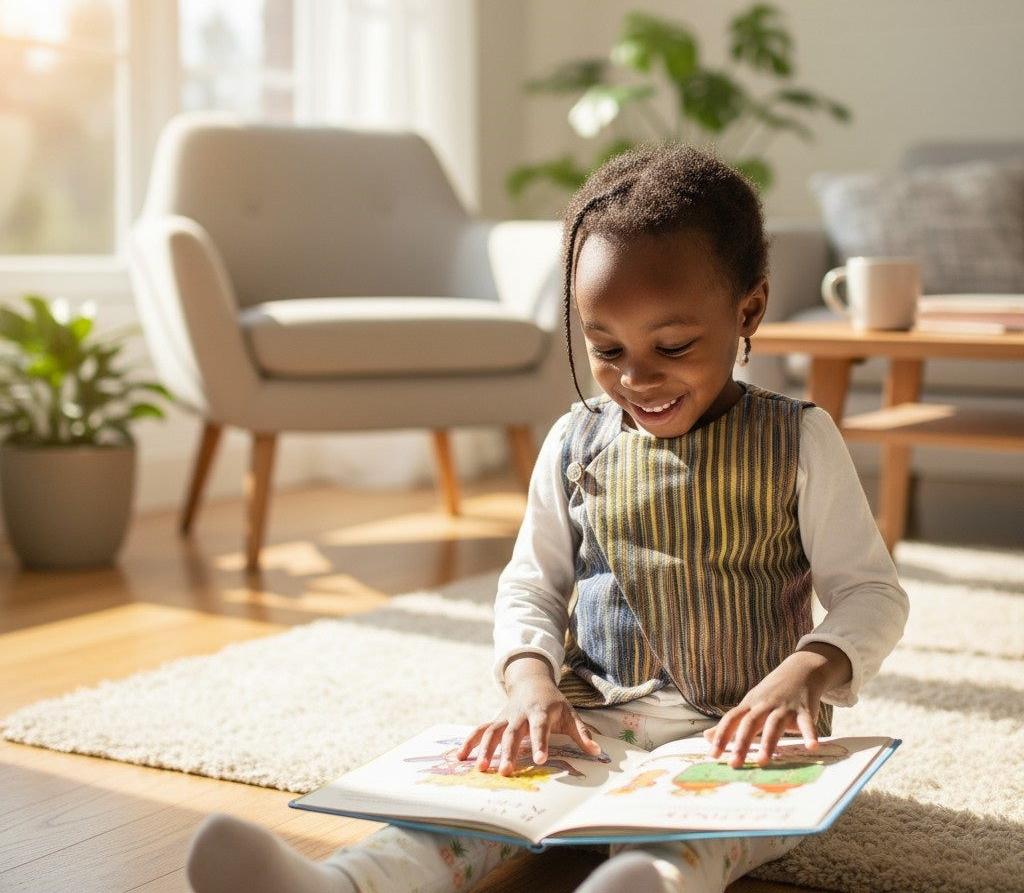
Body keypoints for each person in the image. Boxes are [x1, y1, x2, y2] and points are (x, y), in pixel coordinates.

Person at [186, 145, 909, 893]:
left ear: (748, 311)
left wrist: (804, 676)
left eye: (673, 346)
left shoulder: (797, 438)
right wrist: (530, 683)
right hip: (587, 719)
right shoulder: (573, 440)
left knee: (698, 837)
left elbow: (871, 594)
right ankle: (337, 885)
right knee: (467, 811)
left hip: (742, 732)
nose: (637, 376)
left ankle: (648, 884)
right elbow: (532, 584)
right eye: (606, 348)